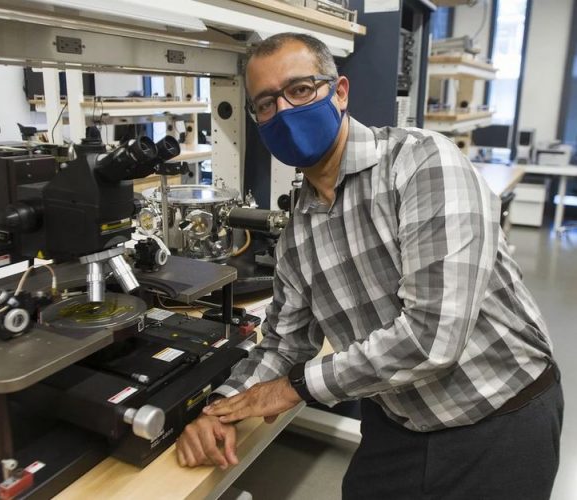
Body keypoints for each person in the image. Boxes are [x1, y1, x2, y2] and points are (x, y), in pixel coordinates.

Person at [176, 33, 563, 499]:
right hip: (399, 421)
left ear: (339, 92)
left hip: (497, 419)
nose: (283, 112)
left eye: (300, 91)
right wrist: (219, 409)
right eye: (265, 103)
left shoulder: (421, 163)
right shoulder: (299, 226)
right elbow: (285, 344)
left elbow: (432, 337)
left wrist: (295, 388)